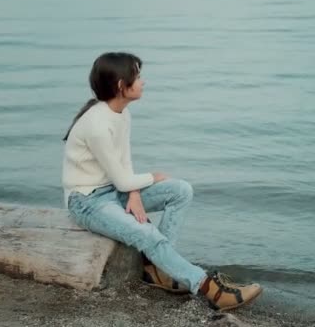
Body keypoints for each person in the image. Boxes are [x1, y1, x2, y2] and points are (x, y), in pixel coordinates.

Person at [62, 52, 262, 311]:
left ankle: (158, 270)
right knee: (148, 234)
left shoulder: (121, 113)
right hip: (87, 202)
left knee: (181, 190)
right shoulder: (97, 125)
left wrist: (134, 193)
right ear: (122, 86)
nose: (143, 82)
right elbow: (123, 177)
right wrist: (151, 177)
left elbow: (123, 164)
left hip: (115, 189)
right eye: (137, 77)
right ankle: (207, 288)